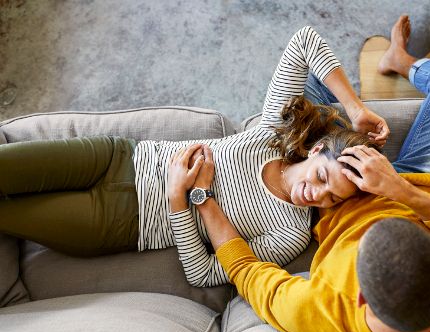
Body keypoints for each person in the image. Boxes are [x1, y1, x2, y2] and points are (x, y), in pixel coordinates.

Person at [188, 15, 430, 332]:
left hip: (344, 199)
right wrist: (397, 188)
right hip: (419, 186)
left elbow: (246, 271)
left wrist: (201, 199)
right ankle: (400, 61)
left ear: (362, 298)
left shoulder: (324, 312)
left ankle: (362, 105)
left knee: (300, 105)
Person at [0, 26, 389, 287]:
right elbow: (305, 41)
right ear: (317, 150)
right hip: (114, 157)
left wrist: (184, 200)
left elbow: (203, 273)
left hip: (120, 221)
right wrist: (355, 110)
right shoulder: (270, 137)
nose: (317, 196)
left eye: (332, 198)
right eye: (322, 179)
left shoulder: (289, 233)